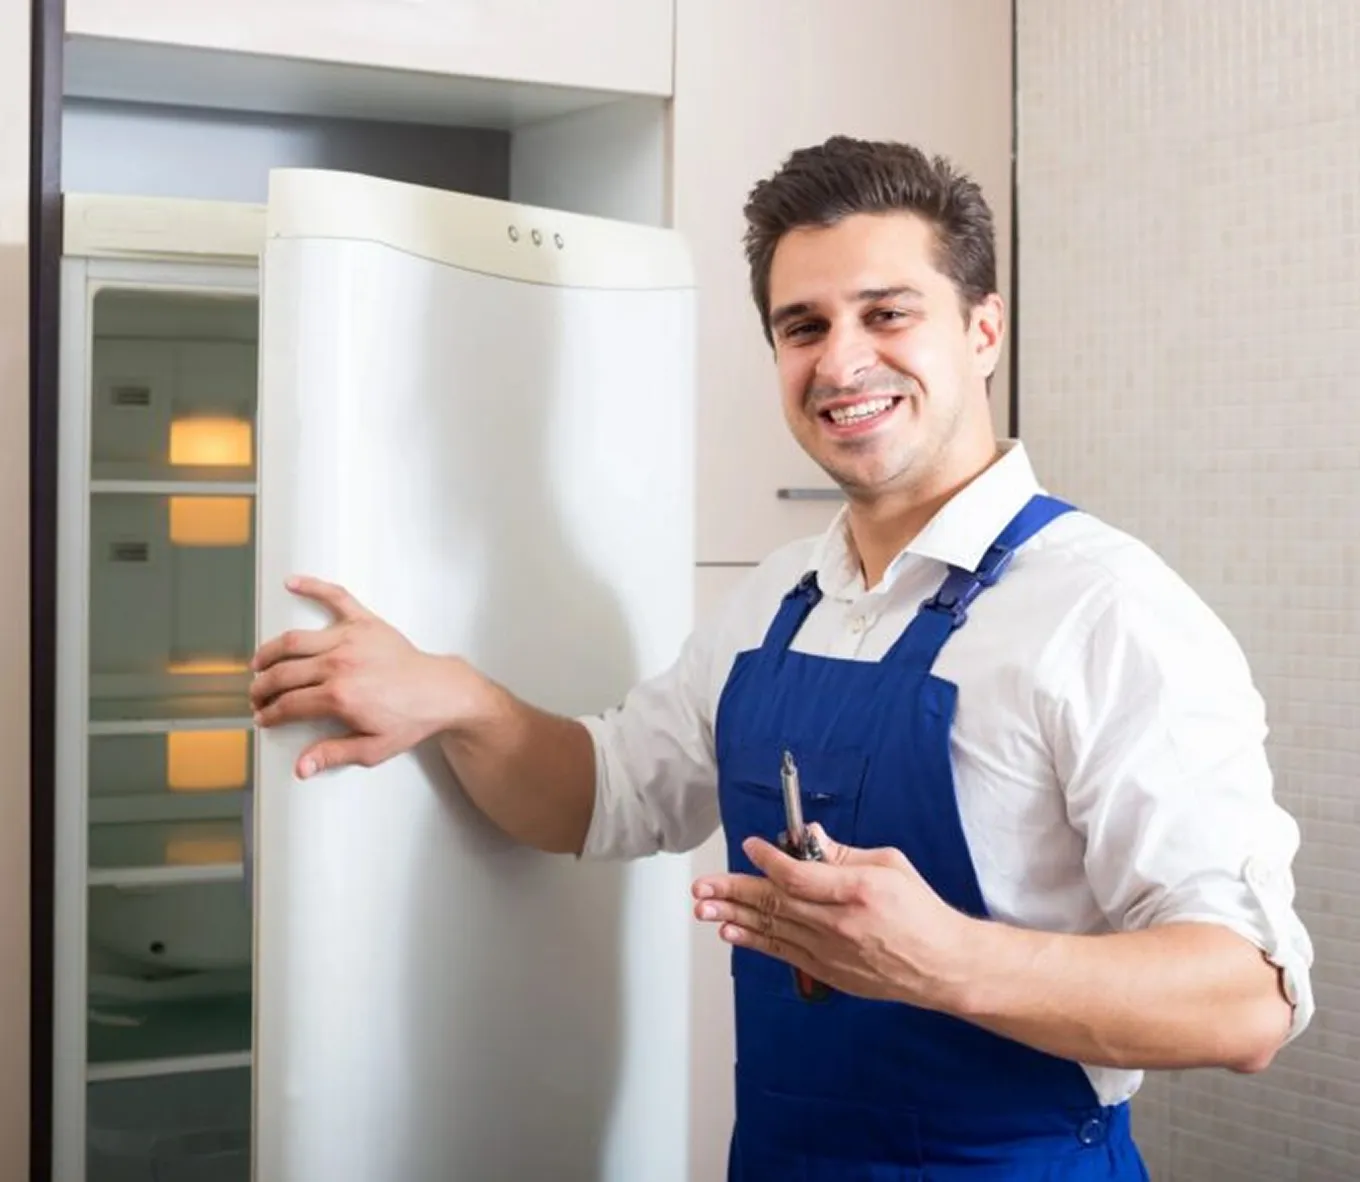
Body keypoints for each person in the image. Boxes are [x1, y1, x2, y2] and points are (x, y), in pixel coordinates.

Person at [249, 136, 1314, 1179]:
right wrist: (458, 699)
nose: (841, 360)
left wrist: (940, 960)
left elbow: (1245, 1000)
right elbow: (605, 796)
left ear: (983, 330)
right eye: (801, 326)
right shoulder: (777, 599)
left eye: (886, 313)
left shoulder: (1106, 609)